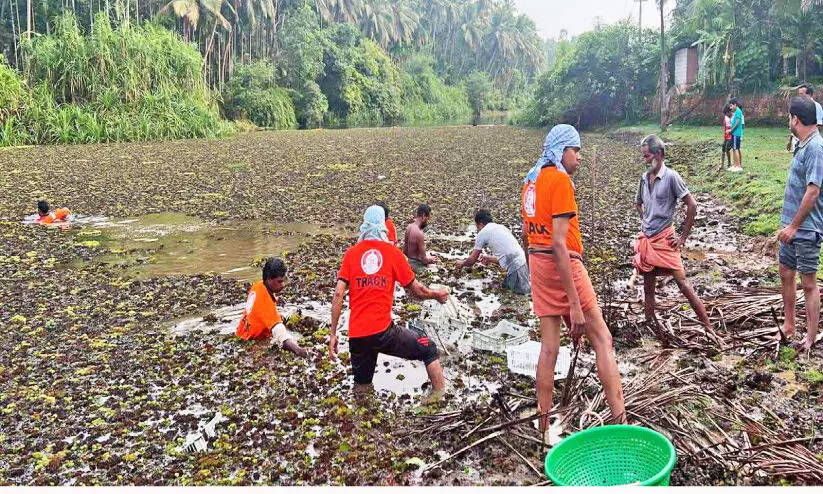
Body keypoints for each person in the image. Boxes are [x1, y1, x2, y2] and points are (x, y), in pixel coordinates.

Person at [521, 124, 626, 436]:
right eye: (575, 150)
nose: (579, 157)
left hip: (537, 265)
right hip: (564, 265)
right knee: (603, 340)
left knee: (549, 349)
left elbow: (528, 233)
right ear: (560, 151)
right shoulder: (560, 181)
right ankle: (621, 422)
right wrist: (575, 307)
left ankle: (543, 429)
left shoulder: (530, 182)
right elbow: (559, 245)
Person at [330, 206, 450, 403]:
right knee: (428, 348)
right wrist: (437, 295)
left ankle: (362, 417)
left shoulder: (351, 254)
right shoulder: (392, 253)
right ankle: (439, 396)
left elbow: (338, 294)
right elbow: (418, 291)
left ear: (364, 226)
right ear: (383, 226)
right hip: (382, 332)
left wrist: (333, 333)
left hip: (357, 335)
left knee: (362, 385)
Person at [634, 135, 712, 332]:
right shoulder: (644, 179)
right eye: (643, 156)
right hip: (648, 239)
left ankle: (708, 326)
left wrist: (683, 237)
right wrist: (645, 220)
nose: (645, 160)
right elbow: (638, 203)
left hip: (666, 239)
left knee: (683, 283)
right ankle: (649, 324)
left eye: (648, 156)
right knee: (648, 286)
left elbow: (691, 205)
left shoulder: (671, 177)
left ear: (659, 154)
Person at [777, 96, 823, 354]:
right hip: (791, 227)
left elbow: (813, 191)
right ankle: (790, 324)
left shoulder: (816, 147)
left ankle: (811, 336)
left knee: (808, 282)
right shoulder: (803, 145)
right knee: (786, 272)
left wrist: (794, 227)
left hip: (806, 228)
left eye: (789, 117)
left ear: (795, 119)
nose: (788, 121)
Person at [236, 258, 309, 357]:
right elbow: (280, 333)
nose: (283, 285)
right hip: (251, 342)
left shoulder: (258, 286)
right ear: (269, 279)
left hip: (241, 334)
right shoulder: (265, 302)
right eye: (279, 281)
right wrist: (298, 350)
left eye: (283, 281)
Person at [455, 209, 530, 295]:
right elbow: (508, 256)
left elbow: (472, 261)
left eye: (477, 227)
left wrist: (461, 263)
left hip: (516, 270)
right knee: (512, 294)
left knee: (516, 299)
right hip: (524, 266)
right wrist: (489, 259)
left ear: (479, 224)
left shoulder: (483, 232)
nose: (478, 229)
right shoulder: (502, 228)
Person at [788, 84, 823, 152]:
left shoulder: (816, 106)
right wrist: (793, 135)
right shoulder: (799, 107)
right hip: (799, 140)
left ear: (809, 94)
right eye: (799, 94)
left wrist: (810, 139)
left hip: (809, 141)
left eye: (802, 94)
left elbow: (818, 125)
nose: (800, 96)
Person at [403, 204, 438, 273]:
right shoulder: (419, 234)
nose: (427, 222)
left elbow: (405, 252)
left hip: (408, 263)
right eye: (428, 218)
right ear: (423, 216)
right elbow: (424, 260)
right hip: (417, 266)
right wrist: (431, 260)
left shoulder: (409, 227)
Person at [729, 97, 745, 171]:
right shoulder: (736, 112)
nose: (730, 107)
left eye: (731, 105)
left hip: (736, 133)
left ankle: (738, 166)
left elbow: (738, 122)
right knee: (734, 149)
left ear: (735, 105)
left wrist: (731, 130)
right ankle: (735, 165)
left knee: (736, 149)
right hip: (734, 133)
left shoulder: (738, 111)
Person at [722, 104, 733, 168]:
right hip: (726, 136)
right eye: (725, 114)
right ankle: (722, 165)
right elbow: (725, 127)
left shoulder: (733, 117)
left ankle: (729, 164)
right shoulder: (725, 117)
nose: (726, 114)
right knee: (723, 149)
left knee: (727, 149)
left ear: (730, 111)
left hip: (731, 136)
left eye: (727, 113)